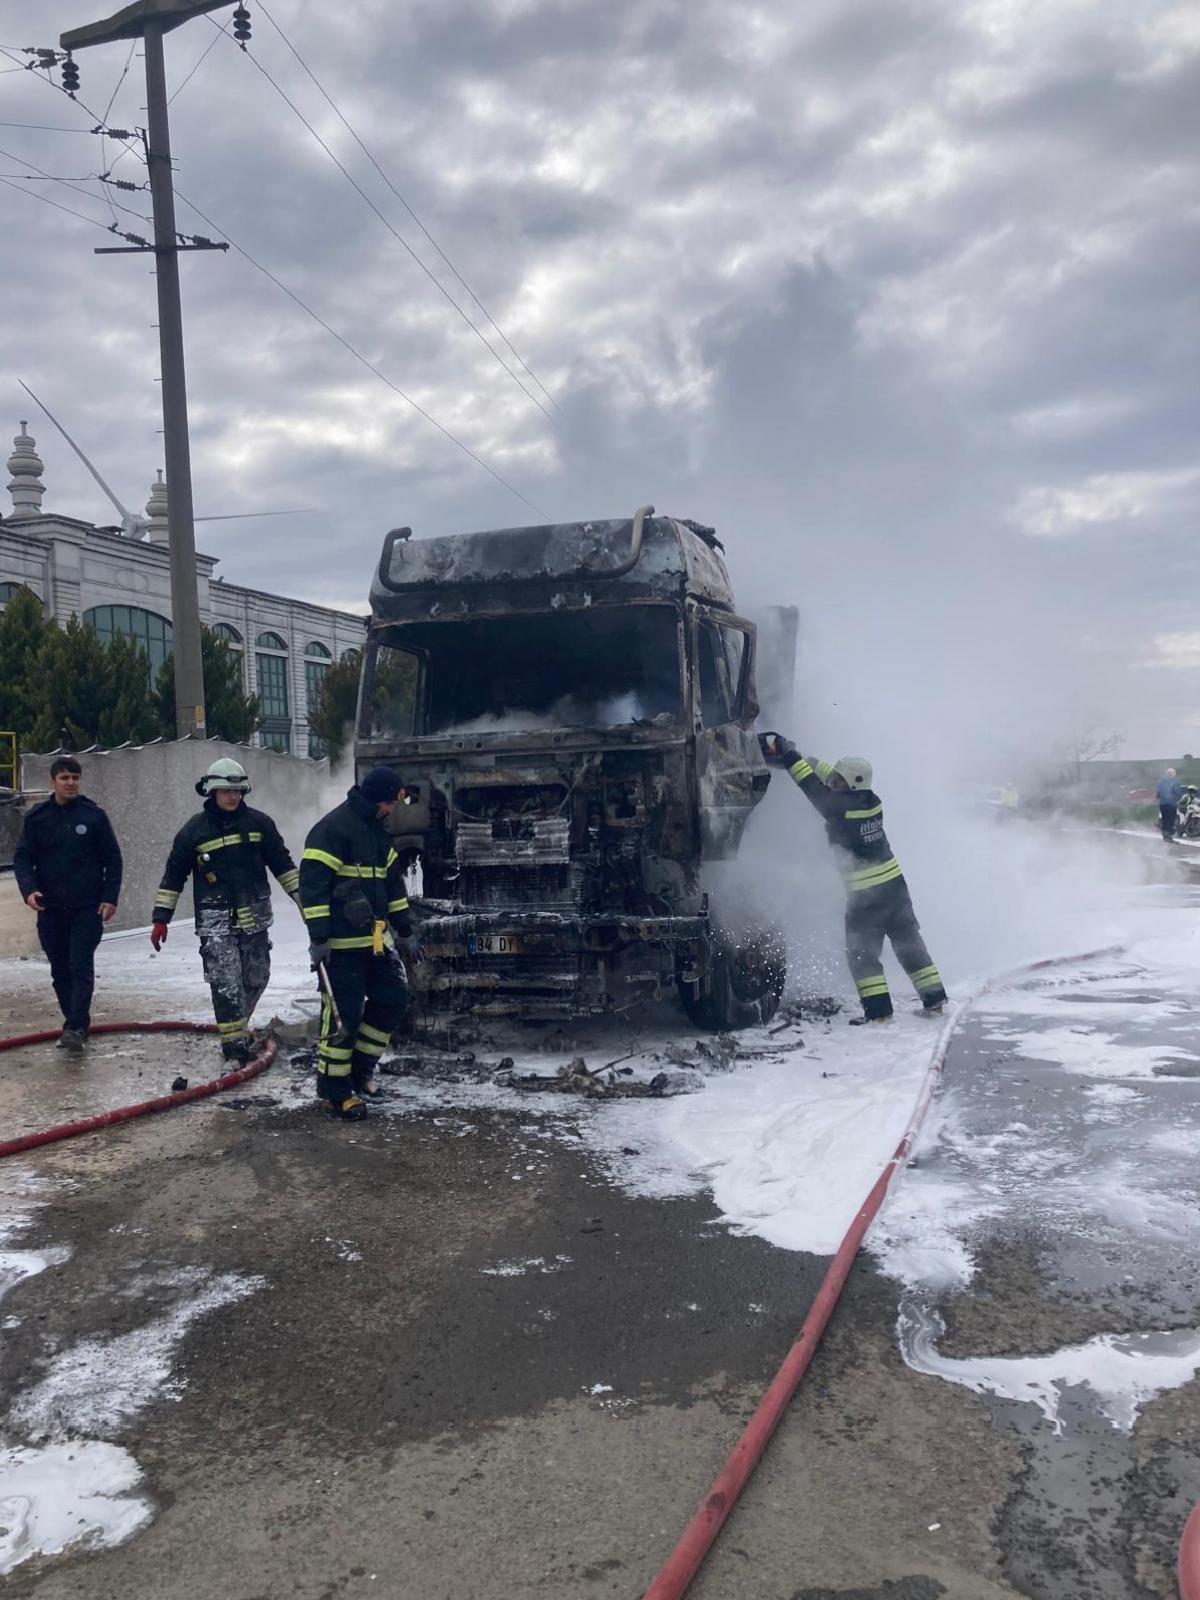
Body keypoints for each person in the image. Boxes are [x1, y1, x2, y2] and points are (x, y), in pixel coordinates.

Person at [760, 734, 947, 1023]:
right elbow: (826, 777)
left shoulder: (841, 808)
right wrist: (798, 755)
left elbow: (813, 788)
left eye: (838, 782)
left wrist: (789, 758)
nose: (833, 783)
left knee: (862, 955)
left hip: (867, 898)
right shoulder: (869, 801)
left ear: (850, 785)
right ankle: (935, 1000)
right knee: (909, 943)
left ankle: (879, 1013)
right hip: (896, 890)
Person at [150, 758, 300, 1062]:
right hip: (215, 923)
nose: (234, 797)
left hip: (255, 919)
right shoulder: (193, 832)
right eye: (227, 791)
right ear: (212, 791)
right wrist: (160, 919)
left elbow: (283, 865)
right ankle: (233, 1046)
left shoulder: (260, 825)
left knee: (258, 976)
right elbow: (173, 877)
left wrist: (303, 899)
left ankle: (237, 1028)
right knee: (226, 982)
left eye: (238, 791)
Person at [299, 766, 418, 1120]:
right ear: (380, 797)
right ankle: (335, 1093)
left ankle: (359, 1071)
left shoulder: (378, 834)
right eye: (391, 802)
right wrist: (320, 938)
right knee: (342, 1018)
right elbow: (313, 887)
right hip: (340, 947)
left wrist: (406, 930)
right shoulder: (333, 829)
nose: (393, 810)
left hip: (375, 943)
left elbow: (393, 887)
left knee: (393, 999)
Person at [13, 756, 123, 1052]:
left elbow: (112, 859)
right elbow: (23, 858)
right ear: (53, 782)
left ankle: (75, 1026)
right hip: (50, 909)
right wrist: (29, 890)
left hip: (86, 908)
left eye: (75, 777)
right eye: (65, 778)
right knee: (60, 970)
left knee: (79, 965)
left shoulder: (94, 817)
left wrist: (109, 898)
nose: (71, 783)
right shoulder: (37, 818)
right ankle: (76, 1022)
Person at [1157, 768, 1184, 842]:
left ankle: (1165, 836)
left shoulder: (1161, 782)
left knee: (1165, 819)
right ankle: (1169, 836)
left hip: (1162, 804)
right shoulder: (1175, 782)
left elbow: (1158, 794)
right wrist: (1177, 799)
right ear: (1173, 774)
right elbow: (1177, 793)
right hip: (1171, 804)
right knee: (1170, 820)